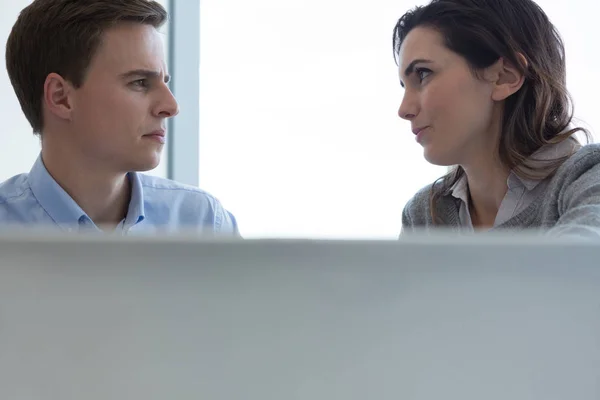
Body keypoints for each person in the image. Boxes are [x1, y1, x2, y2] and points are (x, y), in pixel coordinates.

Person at [2, 0, 238, 235]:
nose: (171, 106)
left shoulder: (203, 223)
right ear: (61, 97)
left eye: (164, 82)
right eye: (140, 83)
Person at [394, 0, 600, 236]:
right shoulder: (423, 215)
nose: (404, 109)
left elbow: (586, 265)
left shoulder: (587, 178)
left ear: (504, 77)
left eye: (423, 73)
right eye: (404, 86)